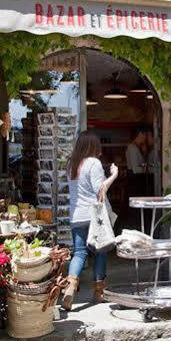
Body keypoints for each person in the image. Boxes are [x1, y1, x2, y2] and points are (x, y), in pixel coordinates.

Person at [62, 130, 118, 310]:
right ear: (93, 146)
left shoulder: (72, 164)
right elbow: (100, 191)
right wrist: (114, 175)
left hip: (76, 215)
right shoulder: (93, 163)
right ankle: (99, 292)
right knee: (100, 252)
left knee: (79, 253)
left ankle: (71, 285)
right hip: (93, 216)